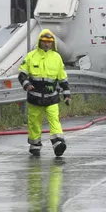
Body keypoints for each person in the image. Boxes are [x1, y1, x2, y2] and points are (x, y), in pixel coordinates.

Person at [18, 29, 71, 157]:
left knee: (54, 120)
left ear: (53, 43)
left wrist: (67, 95)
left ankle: (58, 143)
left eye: (49, 42)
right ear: (39, 42)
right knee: (34, 122)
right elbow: (22, 74)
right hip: (34, 98)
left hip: (51, 97)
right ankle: (35, 144)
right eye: (44, 41)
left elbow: (62, 78)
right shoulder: (31, 56)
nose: (47, 44)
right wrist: (27, 85)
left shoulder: (57, 57)